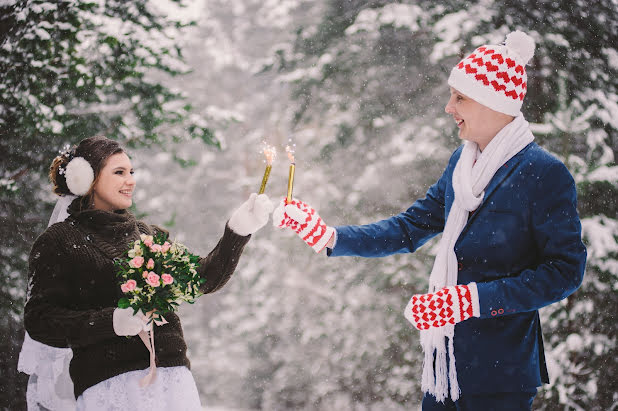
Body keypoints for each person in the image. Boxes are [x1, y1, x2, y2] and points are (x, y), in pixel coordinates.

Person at [273, 31, 587, 410]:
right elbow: (409, 227)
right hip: (442, 367)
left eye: (460, 98)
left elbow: (565, 271)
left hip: (500, 375)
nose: (448, 108)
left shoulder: (545, 174)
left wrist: (469, 301)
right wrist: (329, 237)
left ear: (493, 103)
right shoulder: (461, 164)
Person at [22, 136, 273, 410]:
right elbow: (39, 320)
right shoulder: (58, 241)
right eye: (119, 172)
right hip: (110, 387)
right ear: (86, 178)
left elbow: (201, 279)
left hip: (174, 382)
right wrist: (113, 322)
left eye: (132, 172)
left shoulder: (147, 234)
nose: (130, 180)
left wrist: (237, 232)